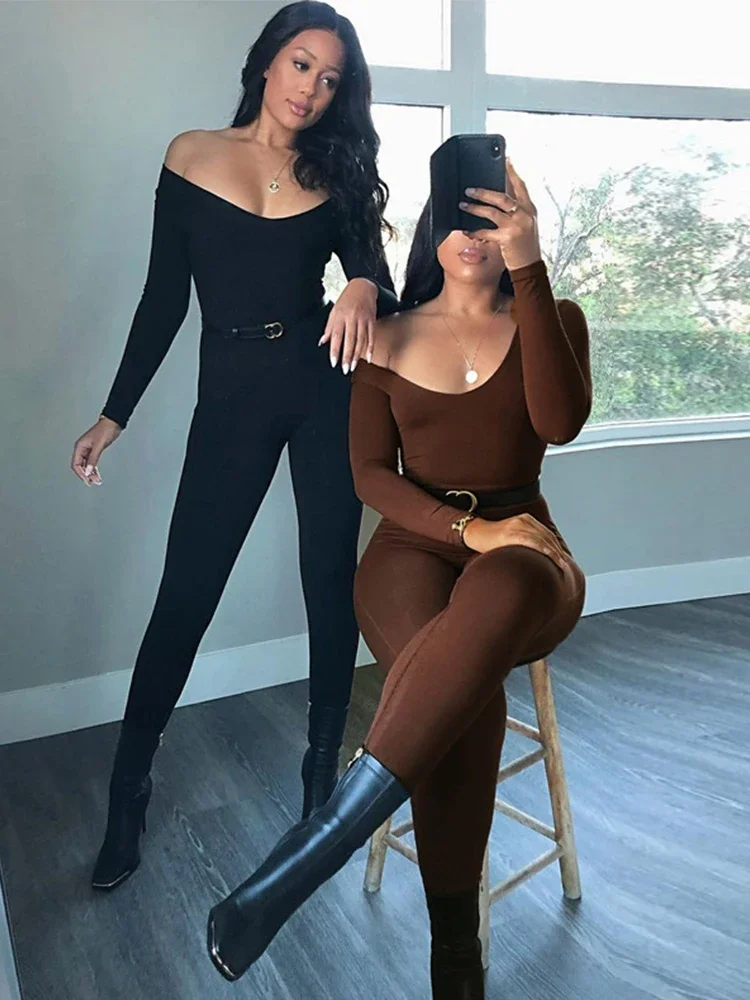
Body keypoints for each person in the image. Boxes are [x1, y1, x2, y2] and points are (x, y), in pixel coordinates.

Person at [205, 158, 591, 1000]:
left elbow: (560, 423)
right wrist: (467, 528)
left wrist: (531, 266)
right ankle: (458, 958)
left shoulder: (553, 316)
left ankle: (317, 848)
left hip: (526, 551)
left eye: (494, 221)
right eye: (460, 217)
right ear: (431, 231)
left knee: (498, 601)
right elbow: (371, 476)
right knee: (458, 692)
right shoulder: (384, 334)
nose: (474, 236)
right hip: (411, 548)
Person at [70, 0, 400, 893]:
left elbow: (376, 277)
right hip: (233, 395)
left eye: (330, 78)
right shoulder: (191, 155)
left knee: (328, 578)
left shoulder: (337, 171)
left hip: (323, 388)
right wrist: (113, 415)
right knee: (186, 592)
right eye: (302, 64)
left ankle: (320, 787)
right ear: (266, 62)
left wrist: (363, 284)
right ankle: (128, 796)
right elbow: (162, 299)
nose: (312, 88)